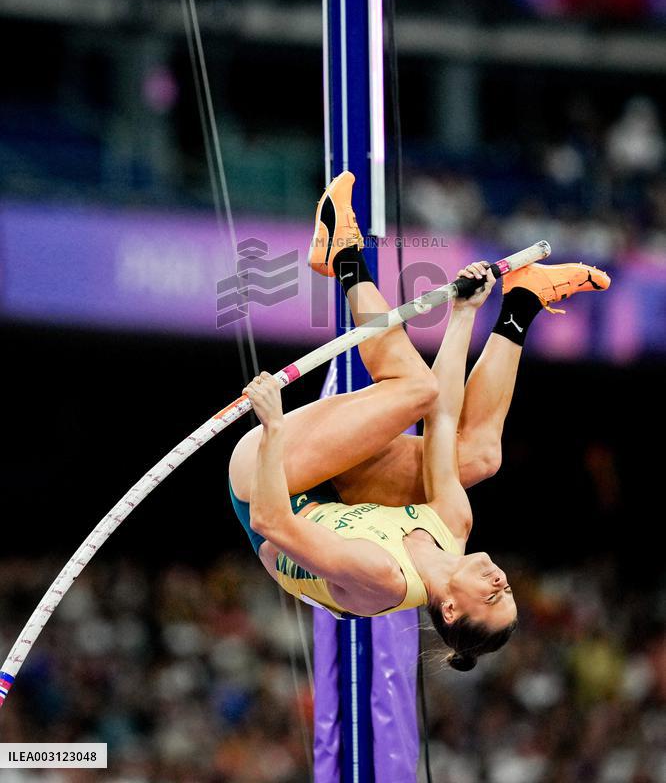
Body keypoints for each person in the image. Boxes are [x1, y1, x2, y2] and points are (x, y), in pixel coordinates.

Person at [228, 173, 610, 670]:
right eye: (508, 590)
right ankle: (521, 304)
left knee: (414, 389)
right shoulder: (453, 525)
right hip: (334, 494)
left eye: (492, 598)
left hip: (266, 485)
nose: (501, 582)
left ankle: (342, 254)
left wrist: (275, 427)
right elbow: (443, 420)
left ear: (449, 609)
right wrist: (464, 312)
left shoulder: (381, 575)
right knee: (478, 456)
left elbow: (270, 520)